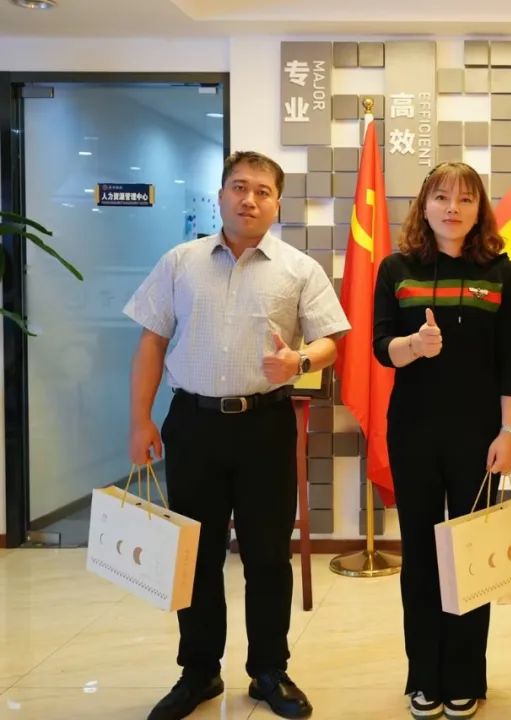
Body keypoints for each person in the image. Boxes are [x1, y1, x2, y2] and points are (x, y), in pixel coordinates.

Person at [125, 151, 350, 720]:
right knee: (195, 556)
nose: (249, 199)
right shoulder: (180, 262)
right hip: (193, 424)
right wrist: (140, 419)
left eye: (262, 191)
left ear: (277, 203)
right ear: (221, 194)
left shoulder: (298, 268)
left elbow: (331, 340)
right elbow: (152, 341)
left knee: (268, 556)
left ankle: (269, 670)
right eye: (239, 187)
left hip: (265, 426)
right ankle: (199, 672)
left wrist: (299, 361)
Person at [372, 162, 511, 720]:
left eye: (465, 198)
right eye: (441, 197)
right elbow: (380, 346)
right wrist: (415, 345)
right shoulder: (396, 268)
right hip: (413, 431)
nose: (452, 208)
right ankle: (424, 676)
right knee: (419, 555)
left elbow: (510, 360)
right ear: (424, 205)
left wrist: (509, 432)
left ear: (480, 209)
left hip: (479, 437)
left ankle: (464, 675)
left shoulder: (500, 273)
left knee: (470, 555)